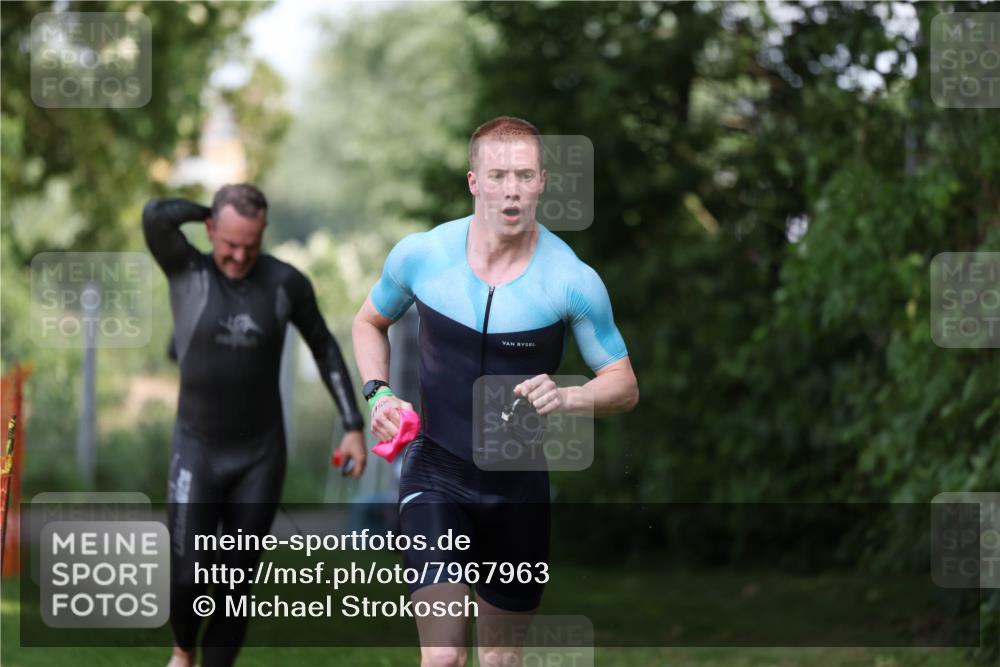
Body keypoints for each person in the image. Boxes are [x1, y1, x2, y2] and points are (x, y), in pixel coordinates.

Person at [352, 117, 639, 667]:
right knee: (443, 658)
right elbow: (368, 322)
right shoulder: (422, 255)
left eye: (524, 176)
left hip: (518, 490)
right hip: (435, 473)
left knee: (500, 660)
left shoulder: (572, 280)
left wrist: (568, 396)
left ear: (542, 182)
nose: (511, 190)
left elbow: (624, 385)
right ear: (474, 181)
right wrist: (378, 393)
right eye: (498, 175)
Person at [142, 184, 367, 667]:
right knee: (189, 577)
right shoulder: (187, 269)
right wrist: (210, 209)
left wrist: (353, 424)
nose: (240, 256)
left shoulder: (286, 283)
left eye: (251, 244)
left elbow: (324, 347)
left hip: (260, 456)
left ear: (264, 234)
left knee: (234, 583)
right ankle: (183, 650)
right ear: (210, 230)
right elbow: (155, 214)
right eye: (230, 243)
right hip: (197, 449)